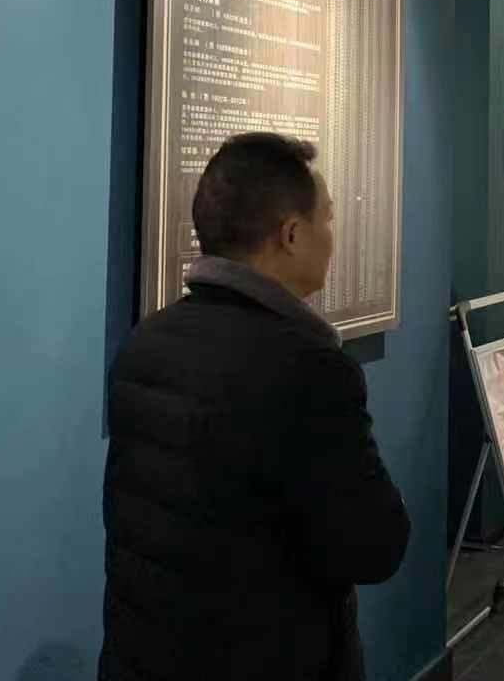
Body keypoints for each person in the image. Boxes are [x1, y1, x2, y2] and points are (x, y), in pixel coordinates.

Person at [102, 134, 410, 681]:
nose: (332, 237)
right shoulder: (310, 370)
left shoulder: (146, 342)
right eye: (327, 219)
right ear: (291, 235)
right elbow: (376, 547)